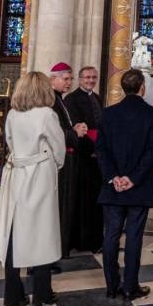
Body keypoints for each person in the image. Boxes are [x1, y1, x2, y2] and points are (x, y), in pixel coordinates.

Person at [0, 71, 65, 306]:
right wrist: (54, 164)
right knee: (41, 233)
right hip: (40, 175)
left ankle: (12, 295)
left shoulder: (13, 114)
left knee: (14, 232)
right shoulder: (47, 114)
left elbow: (11, 143)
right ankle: (42, 293)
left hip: (16, 174)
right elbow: (59, 148)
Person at [95, 69, 153, 301]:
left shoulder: (108, 114)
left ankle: (111, 286)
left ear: (123, 87)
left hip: (112, 187)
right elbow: (151, 152)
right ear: (142, 87)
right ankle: (130, 287)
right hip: (139, 187)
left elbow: (101, 150)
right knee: (134, 236)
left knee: (111, 236)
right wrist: (132, 178)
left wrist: (114, 177)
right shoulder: (152, 114)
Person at [65, 65, 105, 253]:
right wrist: (92, 147)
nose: (90, 80)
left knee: (94, 201)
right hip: (82, 157)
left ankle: (95, 239)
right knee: (82, 201)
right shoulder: (72, 99)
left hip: (96, 158)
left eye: (93, 77)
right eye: (87, 77)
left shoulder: (96, 98)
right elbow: (77, 129)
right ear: (80, 80)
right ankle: (81, 241)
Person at [50, 62, 87, 262]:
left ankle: (64, 246)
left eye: (71, 79)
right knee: (60, 206)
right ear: (52, 79)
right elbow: (53, 134)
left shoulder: (60, 100)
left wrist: (74, 129)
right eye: (65, 79)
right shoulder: (51, 102)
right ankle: (58, 249)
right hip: (60, 164)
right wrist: (75, 133)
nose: (69, 83)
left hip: (68, 159)